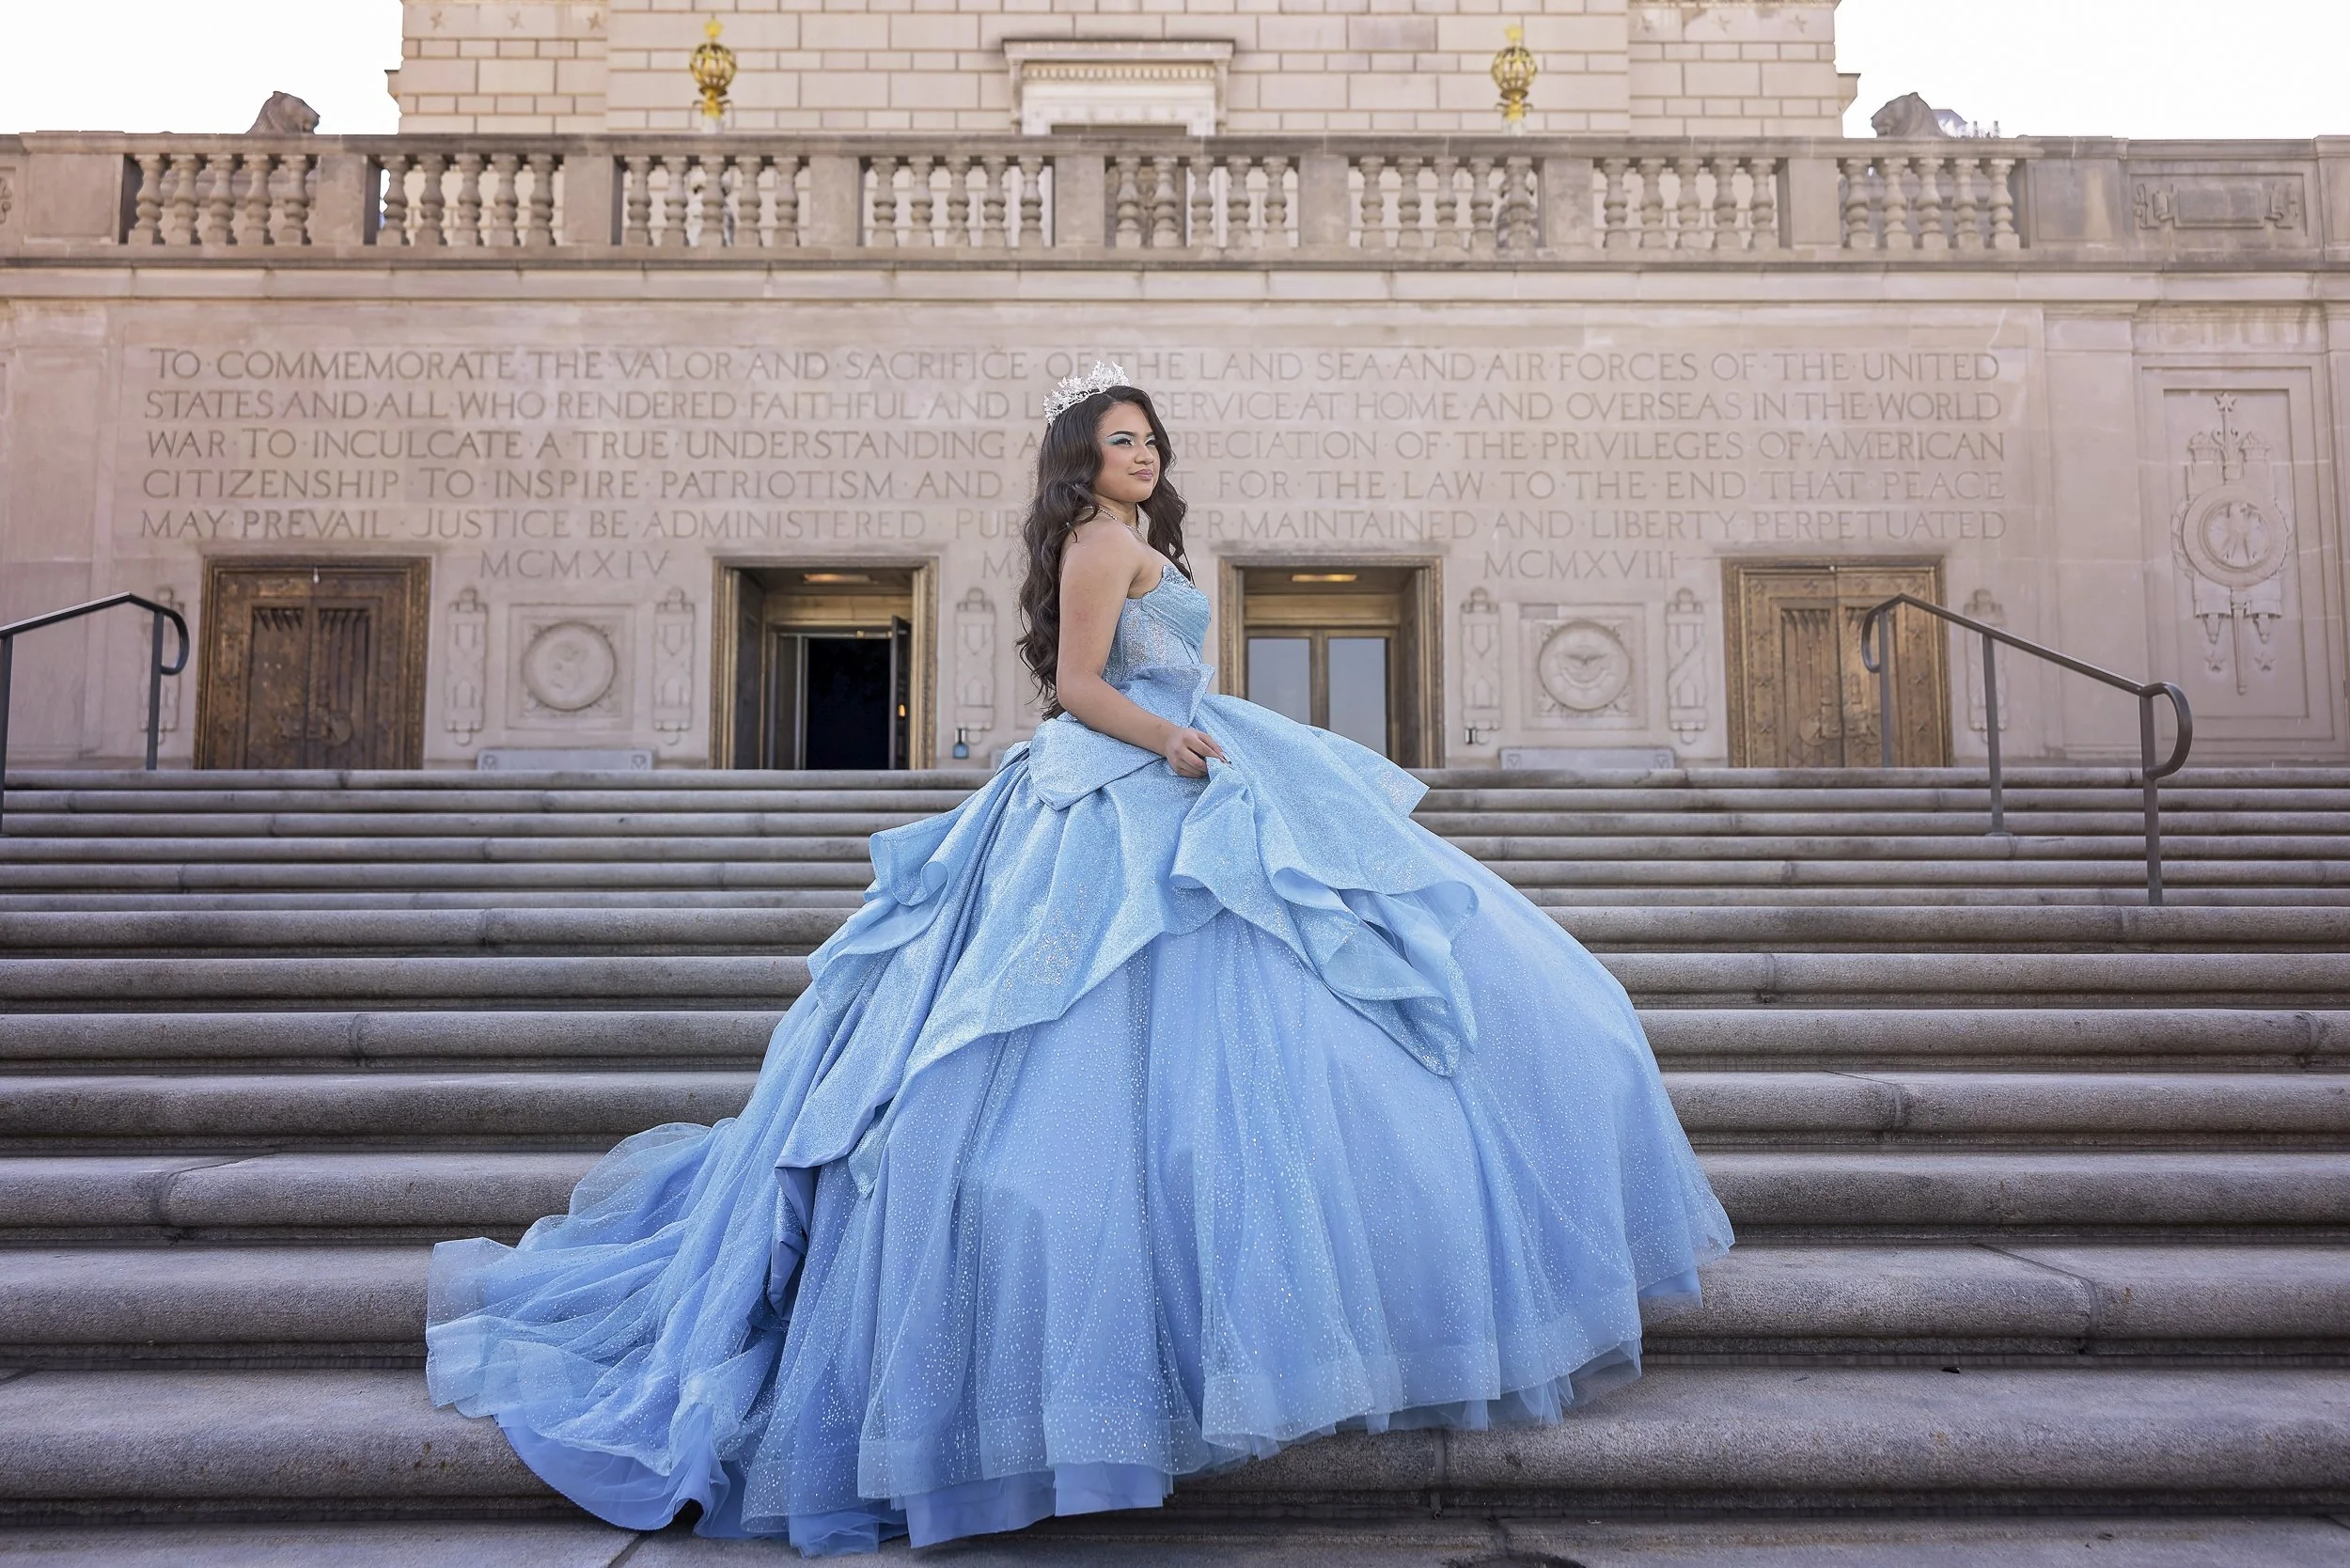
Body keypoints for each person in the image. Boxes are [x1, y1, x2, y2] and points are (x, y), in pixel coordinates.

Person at [426, 363, 1732, 1556]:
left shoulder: (1140, 539)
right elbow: (1080, 683)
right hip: (1126, 781)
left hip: (1189, 763)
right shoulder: (1101, 545)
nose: (1142, 454)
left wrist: (1186, 739)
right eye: (1120, 440)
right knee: (1084, 1035)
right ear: (1083, 461)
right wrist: (1166, 747)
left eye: (1151, 438)